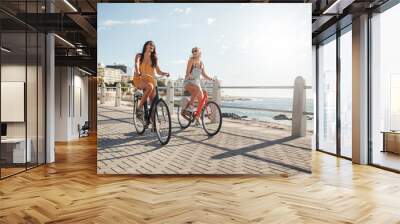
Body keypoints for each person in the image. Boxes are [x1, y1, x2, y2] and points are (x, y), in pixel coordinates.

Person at [133, 41, 169, 119]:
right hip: (140, 78)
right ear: (146, 46)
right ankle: (139, 108)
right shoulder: (139, 55)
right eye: (150, 44)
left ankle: (153, 125)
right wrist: (138, 72)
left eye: (153, 45)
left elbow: (158, 71)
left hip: (150, 80)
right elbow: (136, 64)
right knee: (150, 86)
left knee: (154, 104)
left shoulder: (154, 58)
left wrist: (165, 73)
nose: (152, 46)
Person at [182, 47, 213, 119]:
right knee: (197, 89)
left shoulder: (201, 63)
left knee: (202, 100)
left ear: (199, 52)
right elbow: (187, 73)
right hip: (188, 82)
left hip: (197, 83)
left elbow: (203, 74)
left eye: (195, 51)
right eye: (192, 51)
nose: (194, 52)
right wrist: (190, 76)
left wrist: (210, 79)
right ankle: (189, 107)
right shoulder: (191, 61)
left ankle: (197, 118)